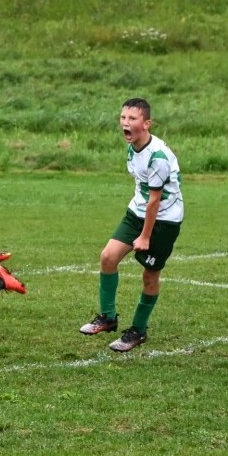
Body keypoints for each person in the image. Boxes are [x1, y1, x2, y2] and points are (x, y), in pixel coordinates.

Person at [80, 97, 183, 352]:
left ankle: (138, 330)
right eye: (123, 118)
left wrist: (145, 237)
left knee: (149, 276)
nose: (126, 123)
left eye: (133, 119)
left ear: (146, 123)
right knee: (108, 257)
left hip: (164, 220)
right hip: (137, 211)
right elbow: (143, 193)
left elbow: (155, 201)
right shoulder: (132, 146)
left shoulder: (157, 156)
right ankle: (108, 317)